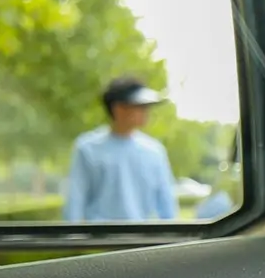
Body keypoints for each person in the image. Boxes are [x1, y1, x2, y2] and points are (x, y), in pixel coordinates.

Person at [62, 76, 178, 223]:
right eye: (140, 106)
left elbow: (167, 205)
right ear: (119, 108)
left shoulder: (155, 152)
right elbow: (75, 199)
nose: (146, 112)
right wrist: (73, 239)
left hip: (142, 240)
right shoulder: (87, 149)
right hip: (100, 239)